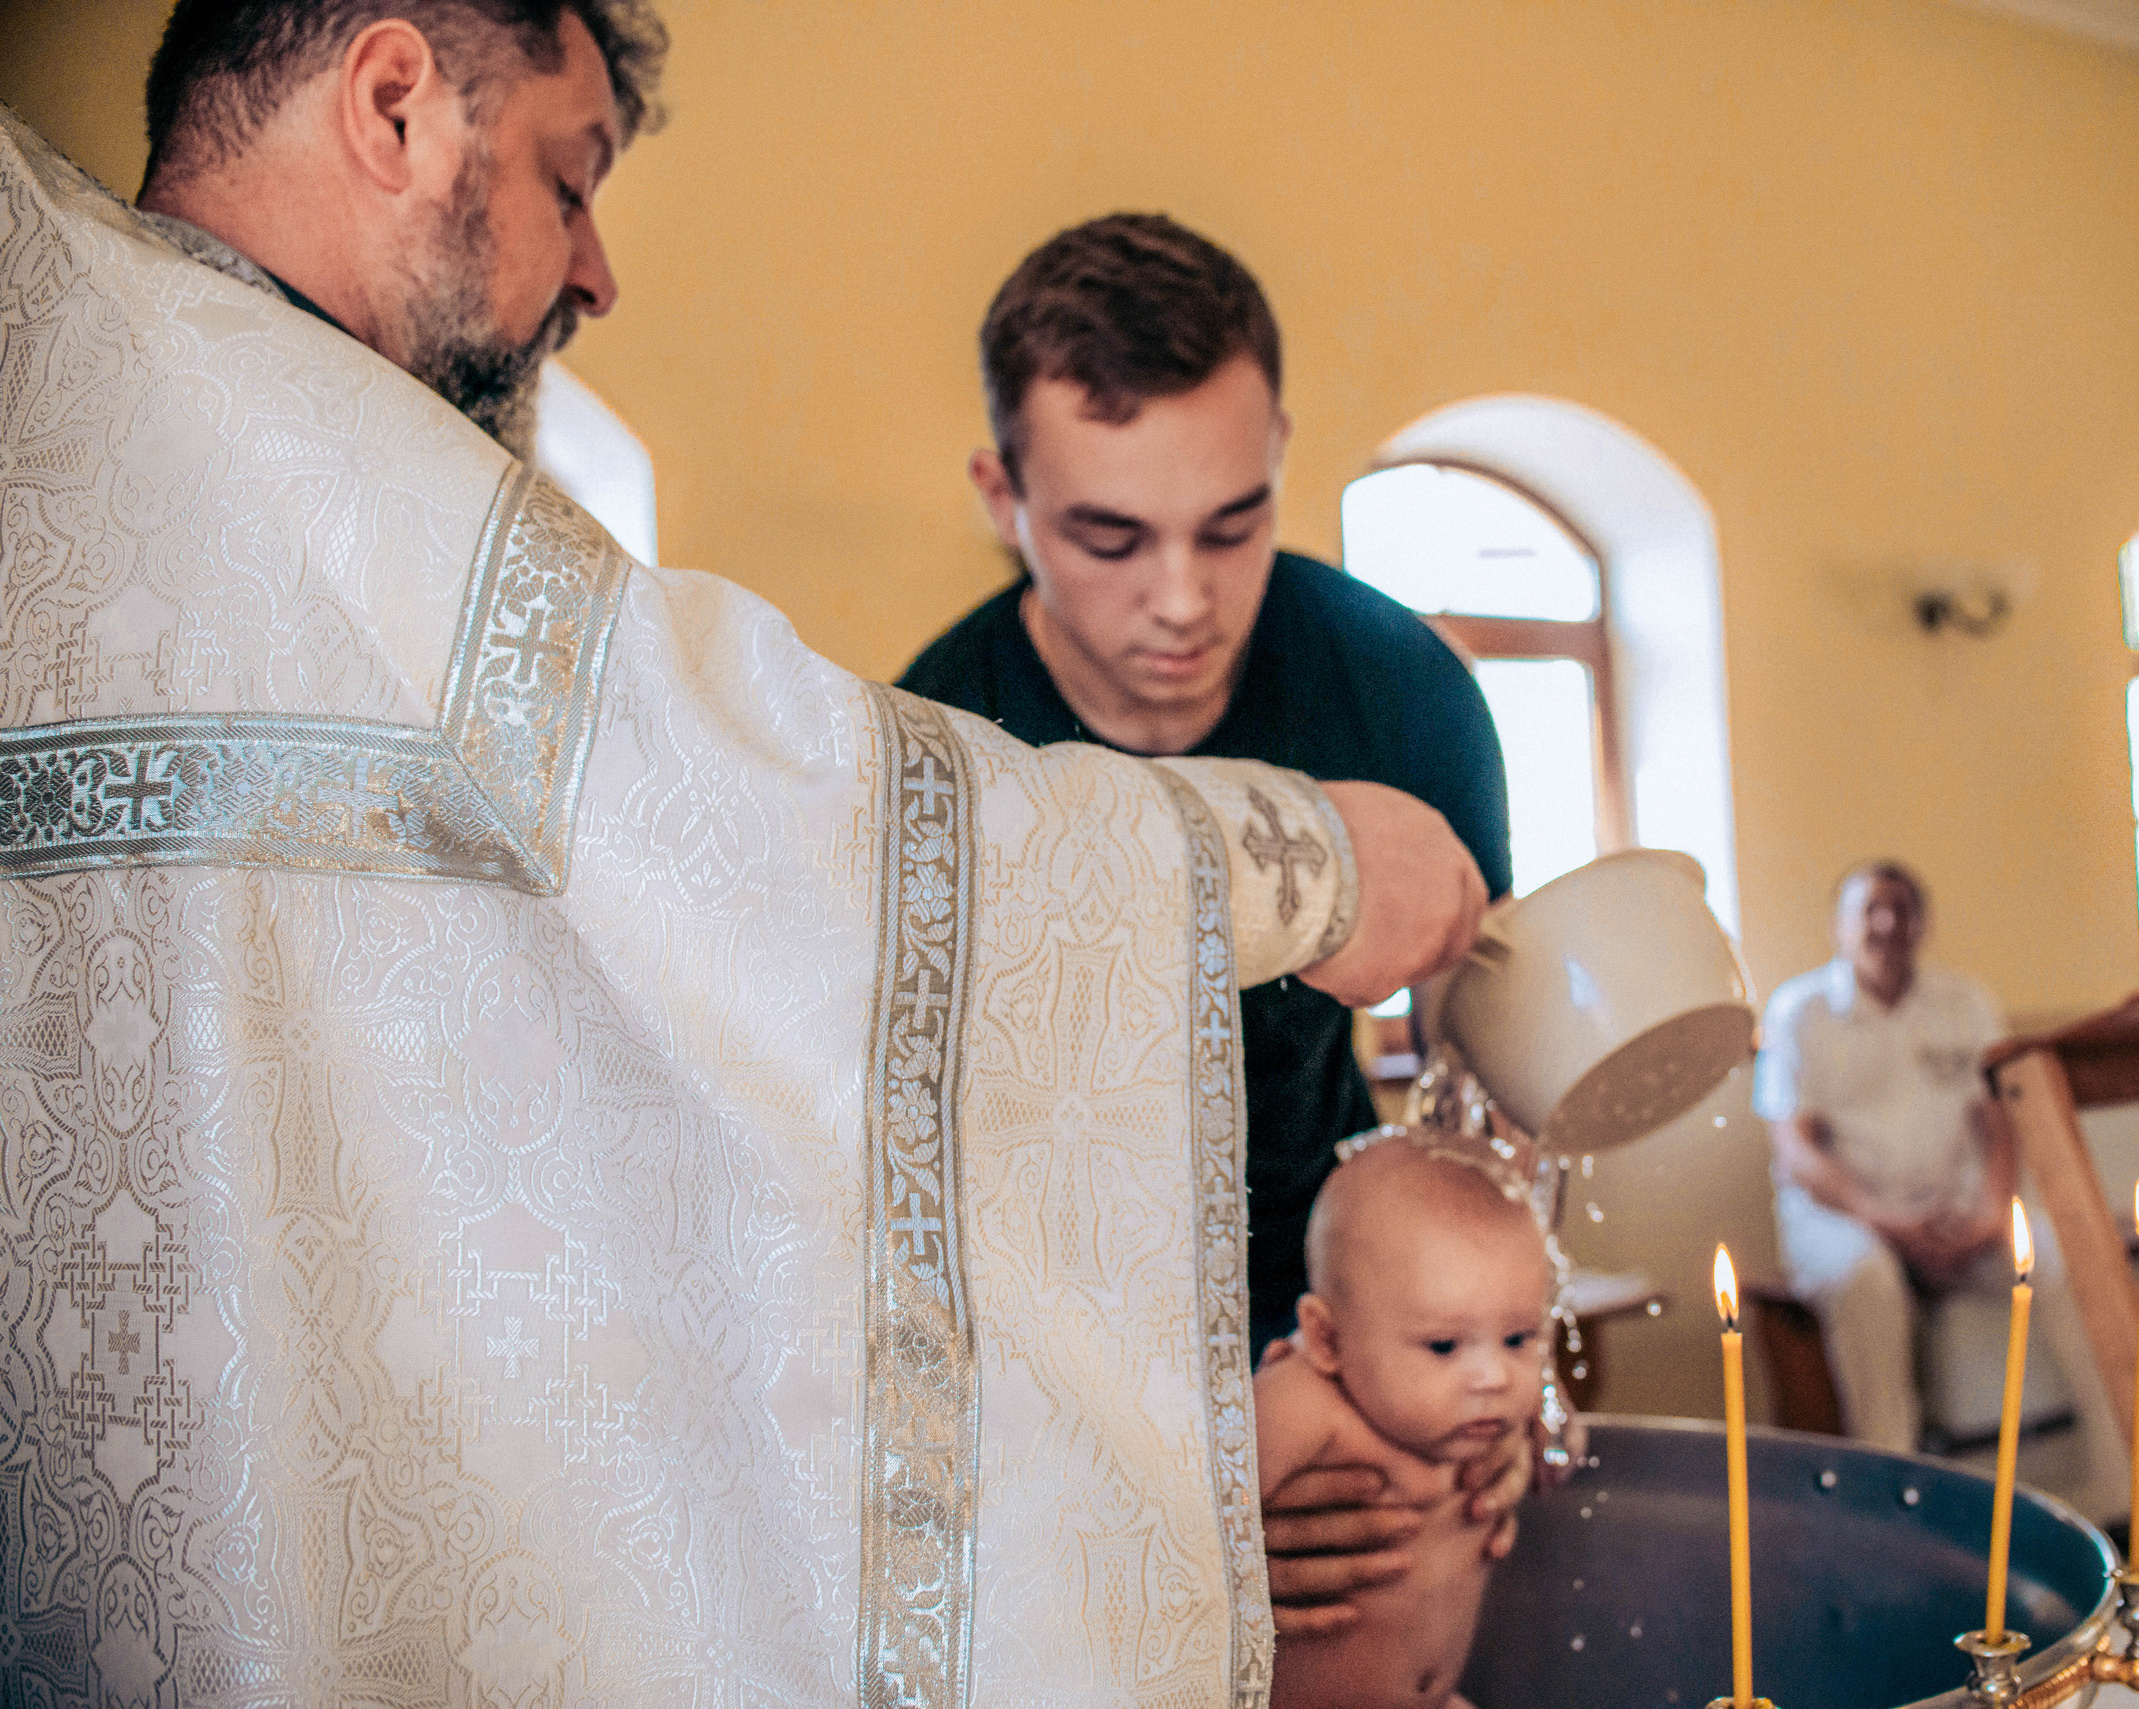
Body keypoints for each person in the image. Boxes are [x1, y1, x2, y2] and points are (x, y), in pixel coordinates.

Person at [0, 6, 1490, 1702]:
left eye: (1232, 524)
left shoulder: (94, 410)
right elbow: (800, 864)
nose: (598, 270)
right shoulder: (341, 494)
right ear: (393, 103)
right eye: (572, 180)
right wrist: (1303, 863)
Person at [898, 215, 1532, 1639]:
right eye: (1109, 537)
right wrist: (1164, 1496)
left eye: (1232, 525)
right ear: (1003, 494)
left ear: (1281, 454)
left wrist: (1478, 1380)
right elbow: (925, 1216)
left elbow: (1482, 1118)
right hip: (1058, 1385)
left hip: (1338, 1325)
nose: (1182, 602)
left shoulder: (1403, 694)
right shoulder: (936, 747)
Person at [1755, 862, 2130, 1514]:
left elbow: (1998, 1119)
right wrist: (1885, 1220)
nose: (1887, 923)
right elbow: (1796, 1151)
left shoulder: (1965, 1002)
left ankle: (2130, 1494)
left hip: (1956, 1209)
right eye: (1870, 909)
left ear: (1921, 923)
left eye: (1901, 908)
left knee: (2062, 1258)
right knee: (1868, 1281)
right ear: (1840, 925)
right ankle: (1897, 1503)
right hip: (1845, 1215)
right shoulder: (1800, 1011)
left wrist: (1993, 1211)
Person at [1253, 1131, 1551, 1709]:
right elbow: (1173, 1526)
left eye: (1518, 1337)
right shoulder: (1303, 1407)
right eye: (1443, 1346)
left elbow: (1563, 1451)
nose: (1494, 1376)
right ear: (1327, 1339)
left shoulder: (1488, 1421)